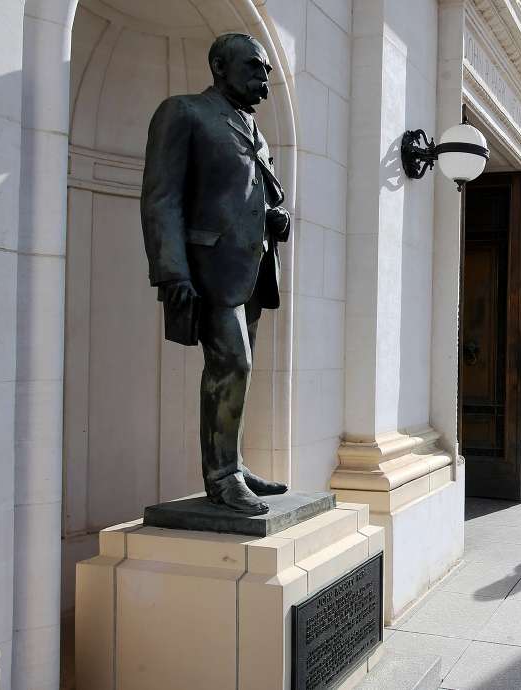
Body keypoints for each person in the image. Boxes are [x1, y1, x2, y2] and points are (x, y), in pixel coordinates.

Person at [140, 33, 293, 515]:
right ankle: (222, 476)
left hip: (252, 269)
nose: (263, 76)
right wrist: (171, 272)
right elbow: (161, 199)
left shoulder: (255, 129)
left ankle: (234, 462)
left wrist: (274, 216)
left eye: (266, 69)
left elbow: (250, 195)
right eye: (254, 66)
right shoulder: (182, 112)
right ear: (219, 66)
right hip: (207, 271)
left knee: (236, 373)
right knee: (233, 365)